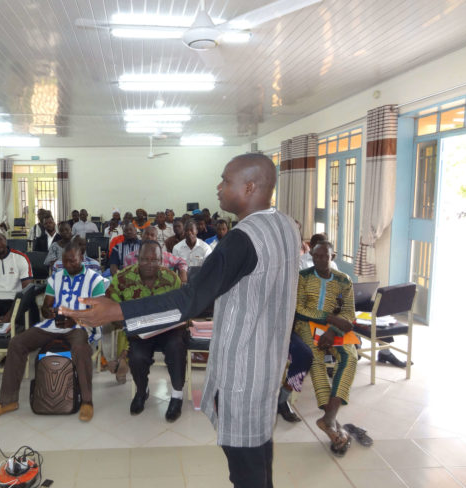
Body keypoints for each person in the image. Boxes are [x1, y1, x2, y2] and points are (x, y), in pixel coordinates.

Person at [61, 153, 299, 488]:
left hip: (244, 369)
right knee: (259, 455)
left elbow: (189, 299)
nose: (218, 187)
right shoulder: (285, 225)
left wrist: (117, 311)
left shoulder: (242, 239)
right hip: (269, 361)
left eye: (225, 181)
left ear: (249, 187)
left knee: (246, 469)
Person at [0, 242, 106, 422]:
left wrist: (74, 318)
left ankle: (87, 401)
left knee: (81, 349)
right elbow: (46, 305)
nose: (68, 265)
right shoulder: (55, 278)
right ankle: (8, 401)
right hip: (54, 324)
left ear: (81, 258)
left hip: (81, 325)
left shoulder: (95, 280)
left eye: (73, 261)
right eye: (65, 261)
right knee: (17, 343)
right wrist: (47, 312)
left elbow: (98, 312)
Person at [107, 240, 188, 421]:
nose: (149, 264)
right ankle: (142, 391)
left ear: (161, 261)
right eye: (145, 259)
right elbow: (110, 306)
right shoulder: (122, 279)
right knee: (137, 356)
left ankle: (177, 395)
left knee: (176, 346)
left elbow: (181, 309)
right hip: (140, 331)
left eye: (154, 260)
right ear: (138, 258)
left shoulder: (171, 279)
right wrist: (124, 323)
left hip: (167, 330)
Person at [294, 240, 357, 456]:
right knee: (316, 360)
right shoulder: (303, 277)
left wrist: (333, 330)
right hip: (307, 325)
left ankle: (329, 418)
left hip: (335, 328)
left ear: (333, 257)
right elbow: (299, 309)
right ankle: (331, 421)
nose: (319, 260)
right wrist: (329, 318)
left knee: (350, 357)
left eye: (324, 257)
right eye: (316, 256)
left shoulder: (343, 280)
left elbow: (348, 313)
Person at [123, 226, 188, 283]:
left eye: (152, 235)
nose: (149, 237)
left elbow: (181, 261)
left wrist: (183, 273)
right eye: (146, 234)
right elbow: (125, 277)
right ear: (141, 236)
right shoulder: (129, 257)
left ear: (156, 239)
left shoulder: (164, 255)